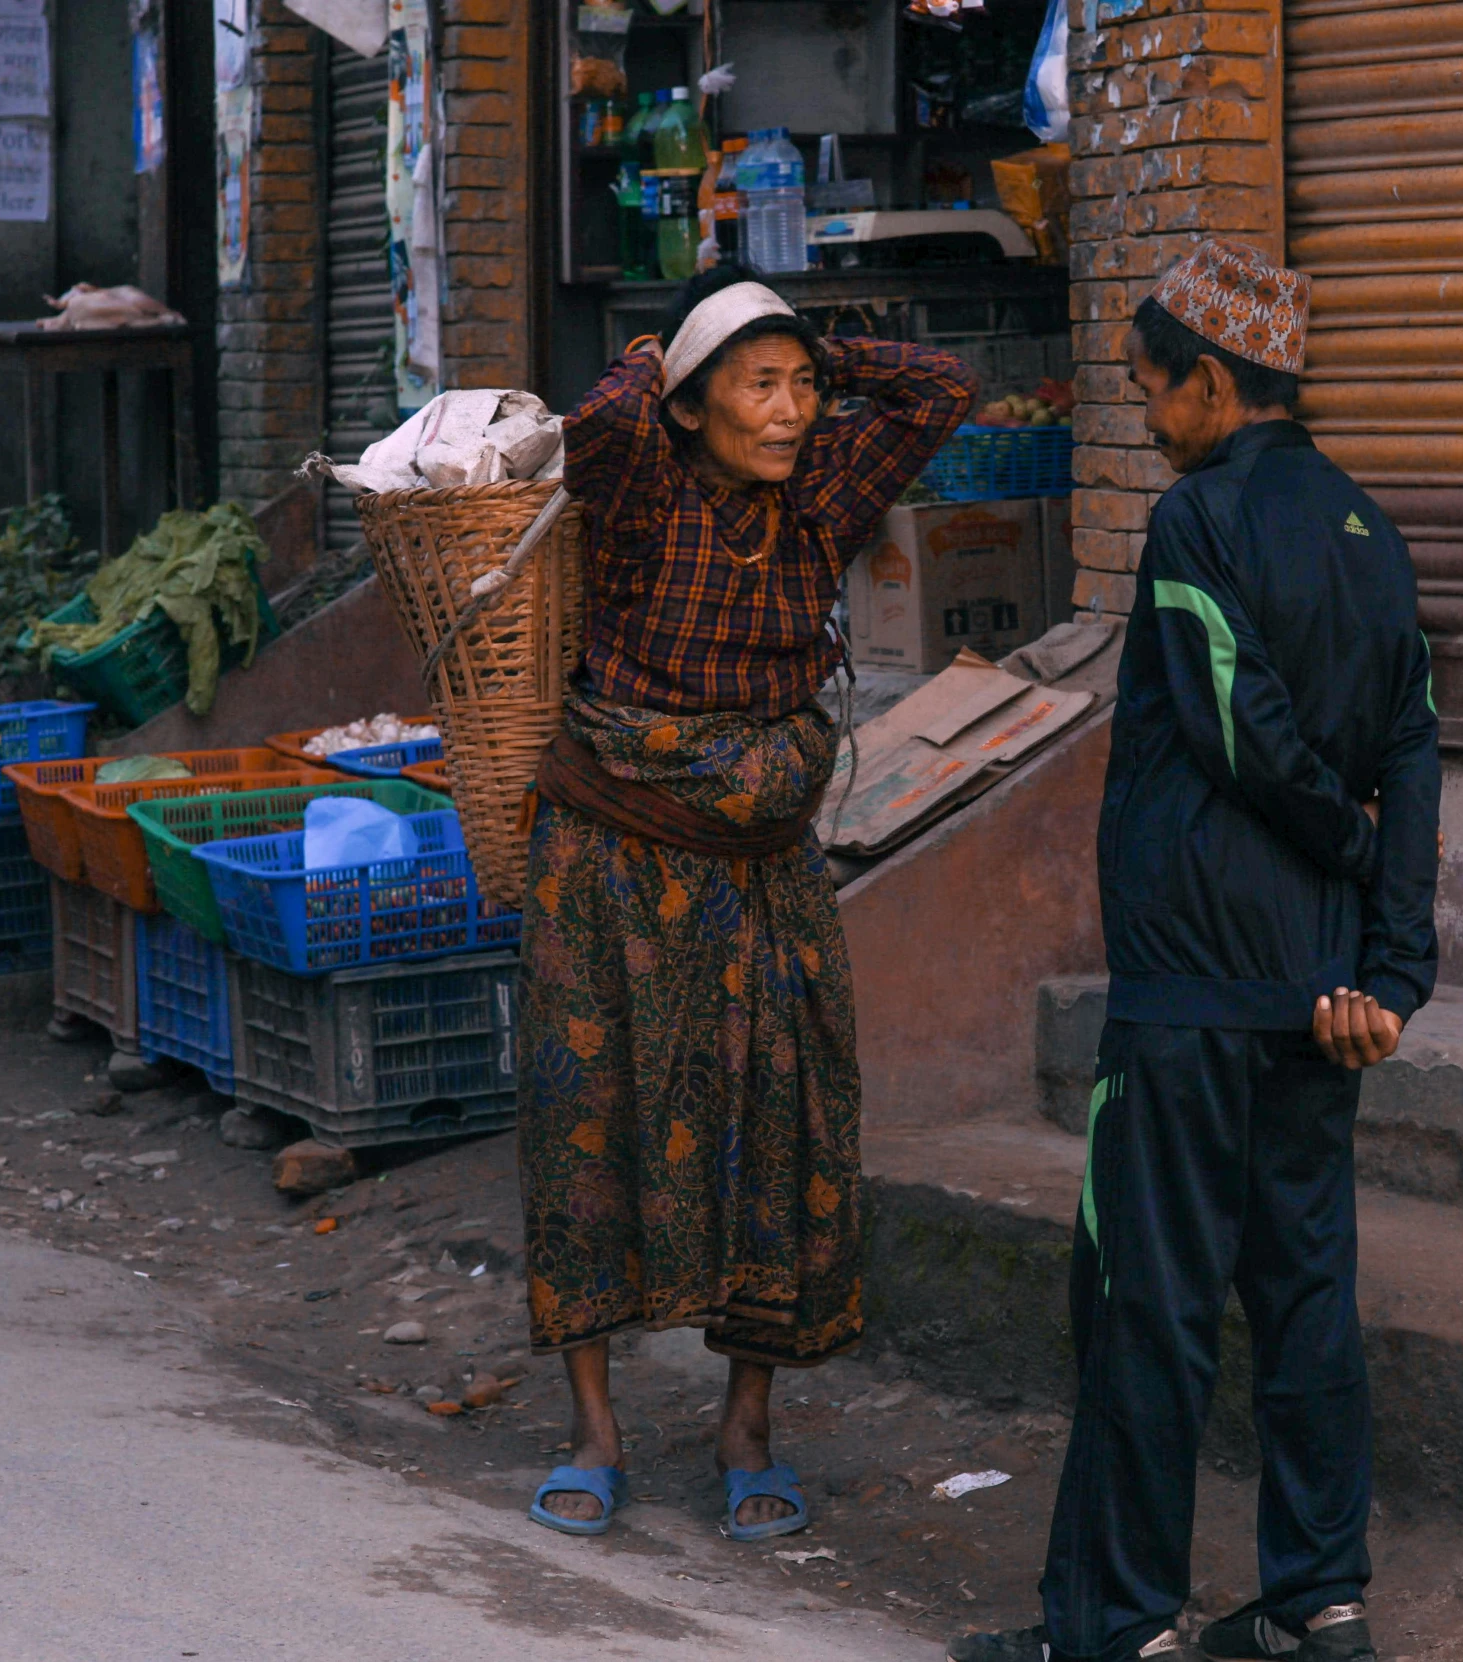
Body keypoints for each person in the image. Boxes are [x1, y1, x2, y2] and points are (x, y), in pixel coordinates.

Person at [952, 239, 1441, 1662]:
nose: (1147, 421)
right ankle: (1318, 1601)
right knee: (1303, 1298)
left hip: (1188, 997)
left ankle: (1115, 1625)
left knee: (1144, 1303)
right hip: (1322, 993)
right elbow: (1410, 748)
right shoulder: (1371, 527)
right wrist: (1395, 965)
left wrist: (1346, 856)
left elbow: (1236, 723)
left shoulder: (1196, 525)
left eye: (1153, 393)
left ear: (1217, 385)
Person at [518, 264, 975, 1541]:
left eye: (801, 389)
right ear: (691, 402)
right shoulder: (641, 487)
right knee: (587, 1119)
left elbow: (941, 388)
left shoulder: (819, 500)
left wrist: (809, 339)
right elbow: (598, 428)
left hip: (759, 862)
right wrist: (650, 362)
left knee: (778, 1117)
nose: (787, 411)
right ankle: (593, 1429)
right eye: (757, 386)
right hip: (611, 852)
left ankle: (746, 1425)